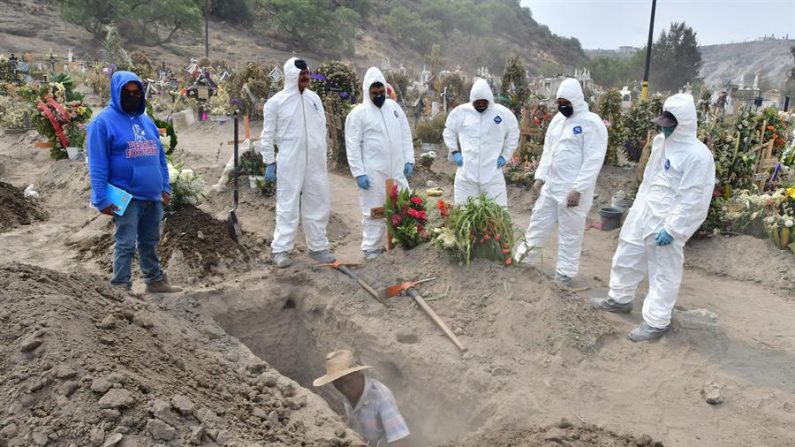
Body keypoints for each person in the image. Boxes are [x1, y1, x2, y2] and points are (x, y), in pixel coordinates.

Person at [591, 94, 715, 342]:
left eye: (669, 125)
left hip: (666, 221)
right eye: (662, 124)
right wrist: (637, 211)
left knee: (663, 272)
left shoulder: (697, 155)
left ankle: (657, 321)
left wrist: (674, 228)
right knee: (627, 252)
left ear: (684, 124)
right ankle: (620, 297)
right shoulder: (660, 143)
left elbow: (693, 197)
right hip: (645, 211)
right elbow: (649, 179)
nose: (663, 129)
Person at [87, 70, 181, 293]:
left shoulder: (145, 121)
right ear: (116, 92)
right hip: (124, 195)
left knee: (150, 241)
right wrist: (100, 198)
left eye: (136, 92)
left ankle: (155, 280)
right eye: (126, 92)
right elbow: (98, 164)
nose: (132, 96)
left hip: (152, 194)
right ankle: (121, 286)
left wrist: (165, 186)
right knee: (126, 243)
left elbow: (159, 156)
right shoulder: (102, 123)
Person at [513, 78, 607, 284]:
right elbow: (549, 152)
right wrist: (540, 177)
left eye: (566, 102)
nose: (561, 105)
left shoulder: (592, 123)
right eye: (559, 101)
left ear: (576, 100)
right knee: (537, 223)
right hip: (551, 186)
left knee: (569, 234)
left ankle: (565, 274)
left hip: (572, 192)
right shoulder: (557, 121)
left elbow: (593, 160)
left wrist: (578, 189)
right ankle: (525, 259)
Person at [258, 57, 335, 268]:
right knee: (287, 205)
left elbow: (322, 129)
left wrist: (323, 154)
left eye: (307, 74)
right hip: (290, 161)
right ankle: (281, 249)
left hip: (315, 163)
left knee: (318, 202)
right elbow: (267, 135)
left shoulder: (314, 99)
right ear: (292, 76)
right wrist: (269, 162)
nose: (306, 78)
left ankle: (318, 247)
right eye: (302, 75)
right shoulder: (276, 103)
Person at [345, 67, 415, 261]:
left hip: (397, 170)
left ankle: (404, 239)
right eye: (374, 91)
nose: (378, 95)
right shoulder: (358, 114)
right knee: (375, 210)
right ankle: (372, 248)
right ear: (367, 91)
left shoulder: (394, 109)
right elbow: (352, 145)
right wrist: (359, 172)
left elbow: (405, 135)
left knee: (404, 206)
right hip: (373, 172)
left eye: (381, 91)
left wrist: (409, 159)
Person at [443, 78, 519, 206]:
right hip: (466, 173)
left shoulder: (502, 114)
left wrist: (505, 156)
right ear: (472, 101)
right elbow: (449, 130)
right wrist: (454, 151)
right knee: (465, 211)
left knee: (496, 213)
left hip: (492, 174)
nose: (481, 106)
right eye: (477, 103)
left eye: (484, 103)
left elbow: (513, 134)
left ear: (489, 100)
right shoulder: (461, 113)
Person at [313, 350, 411, 447]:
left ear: (358, 373)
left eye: (348, 382)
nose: (344, 389)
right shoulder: (349, 393)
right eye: (337, 384)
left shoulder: (381, 397)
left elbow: (402, 441)